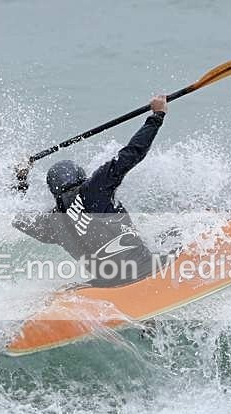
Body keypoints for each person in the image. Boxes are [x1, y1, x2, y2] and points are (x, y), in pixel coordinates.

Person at [13, 94, 168, 287]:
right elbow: (132, 152)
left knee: (158, 239)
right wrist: (157, 116)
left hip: (107, 285)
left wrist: (20, 178)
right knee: (173, 235)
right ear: (80, 176)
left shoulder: (52, 223)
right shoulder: (95, 187)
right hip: (144, 270)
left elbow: (19, 217)